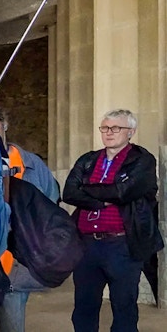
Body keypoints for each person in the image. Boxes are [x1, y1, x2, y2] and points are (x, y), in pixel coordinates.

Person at [63, 109, 163, 332]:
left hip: (122, 245)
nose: (109, 132)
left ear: (131, 132)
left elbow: (123, 192)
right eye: (105, 128)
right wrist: (102, 201)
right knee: (84, 308)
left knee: (124, 308)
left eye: (116, 128)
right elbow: (69, 192)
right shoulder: (88, 160)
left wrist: (87, 192)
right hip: (86, 245)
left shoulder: (142, 160)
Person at [0, 103, 59, 332]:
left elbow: (49, 204)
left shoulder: (32, 164)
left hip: (14, 268)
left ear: (4, 125)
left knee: (13, 327)